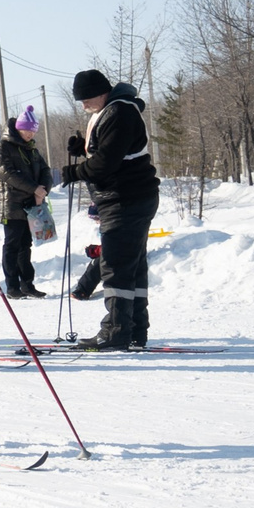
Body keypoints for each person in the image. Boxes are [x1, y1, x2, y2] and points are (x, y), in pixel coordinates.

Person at [63, 71, 160, 350]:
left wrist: (74, 171)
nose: (83, 105)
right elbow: (110, 150)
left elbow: (107, 162)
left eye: (85, 98)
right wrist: (83, 149)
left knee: (116, 266)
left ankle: (115, 332)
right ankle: (134, 330)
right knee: (132, 267)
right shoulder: (114, 109)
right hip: (130, 198)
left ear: (101, 91)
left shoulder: (120, 112)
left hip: (125, 199)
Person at [0, 106, 55, 296]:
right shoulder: (3, 146)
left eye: (33, 130)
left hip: (31, 205)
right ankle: (12, 286)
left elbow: (46, 170)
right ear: (18, 128)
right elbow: (6, 173)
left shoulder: (32, 148)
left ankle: (27, 284)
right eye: (27, 130)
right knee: (12, 245)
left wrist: (42, 190)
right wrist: (33, 188)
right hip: (11, 205)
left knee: (26, 246)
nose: (30, 134)